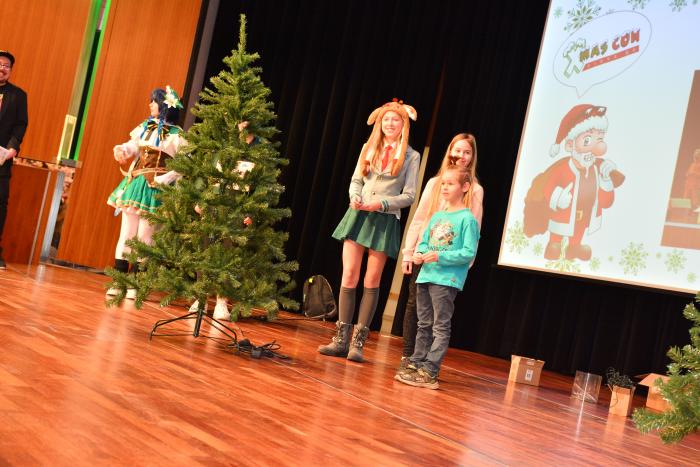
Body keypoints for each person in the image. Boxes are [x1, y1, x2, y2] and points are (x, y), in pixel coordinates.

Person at [318, 99, 420, 363]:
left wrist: (382, 204)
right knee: (349, 275)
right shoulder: (369, 147)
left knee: (371, 280)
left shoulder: (411, 156)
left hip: (383, 220)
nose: (390, 124)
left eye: (395, 120)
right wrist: (355, 196)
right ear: (380, 122)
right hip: (358, 215)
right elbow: (356, 181)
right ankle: (340, 339)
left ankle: (358, 343)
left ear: (403, 124)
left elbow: (409, 195)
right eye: (386, 119)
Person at [398, 133, 483, 372]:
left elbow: (470, 242)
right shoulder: (435, 188)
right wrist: (412, 252)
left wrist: (457, 268)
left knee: (439, 323)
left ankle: (430, 367)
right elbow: (421, 221)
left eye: (467, 152)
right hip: (426, 265)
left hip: (447, 271)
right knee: (419, 315)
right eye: (458, 150)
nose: (461, 156)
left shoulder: (473, 199)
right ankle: (412, 359)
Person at [106, 86, 185, 297]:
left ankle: (136, 283)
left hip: (157, 189)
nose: (150, 104)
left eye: (154, 101)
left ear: (165, 106)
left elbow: (184, 165)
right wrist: (123, 150)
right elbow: (133, 146)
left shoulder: (177, 135)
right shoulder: (145, 127)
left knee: (145, 237)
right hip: (137, 183)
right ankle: (119, 281)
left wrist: (166, 179)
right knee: (127, 233)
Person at [523, 104, 625, 260]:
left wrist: (605, 180)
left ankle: (574, 247)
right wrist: (558, 198)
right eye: (588, 140)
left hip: (584, 217)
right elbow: (548, 187)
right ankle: (554, 244)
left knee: (578, 231)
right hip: (561, 214)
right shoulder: (562, 169)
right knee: (558, 231)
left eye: (600, 139)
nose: (597, 148)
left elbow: (606, 203)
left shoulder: (596, 170)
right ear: (570, 144)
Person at [188, 120, 256, 319]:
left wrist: (251, 213)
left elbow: (261, 188)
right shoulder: (220, 151)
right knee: (205, 251)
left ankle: (221, 301)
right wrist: (200, 200)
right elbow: (205, 176)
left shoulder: (257, 155)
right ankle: (201, 298)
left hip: (235, 212)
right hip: (212, 208)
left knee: (228, 255)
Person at [0, 50, 29, 270]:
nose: (2, 68)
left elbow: (20, 124)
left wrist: (12, 147)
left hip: (2, 158)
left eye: (6, 66)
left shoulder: (18, 95)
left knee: (0, 204)